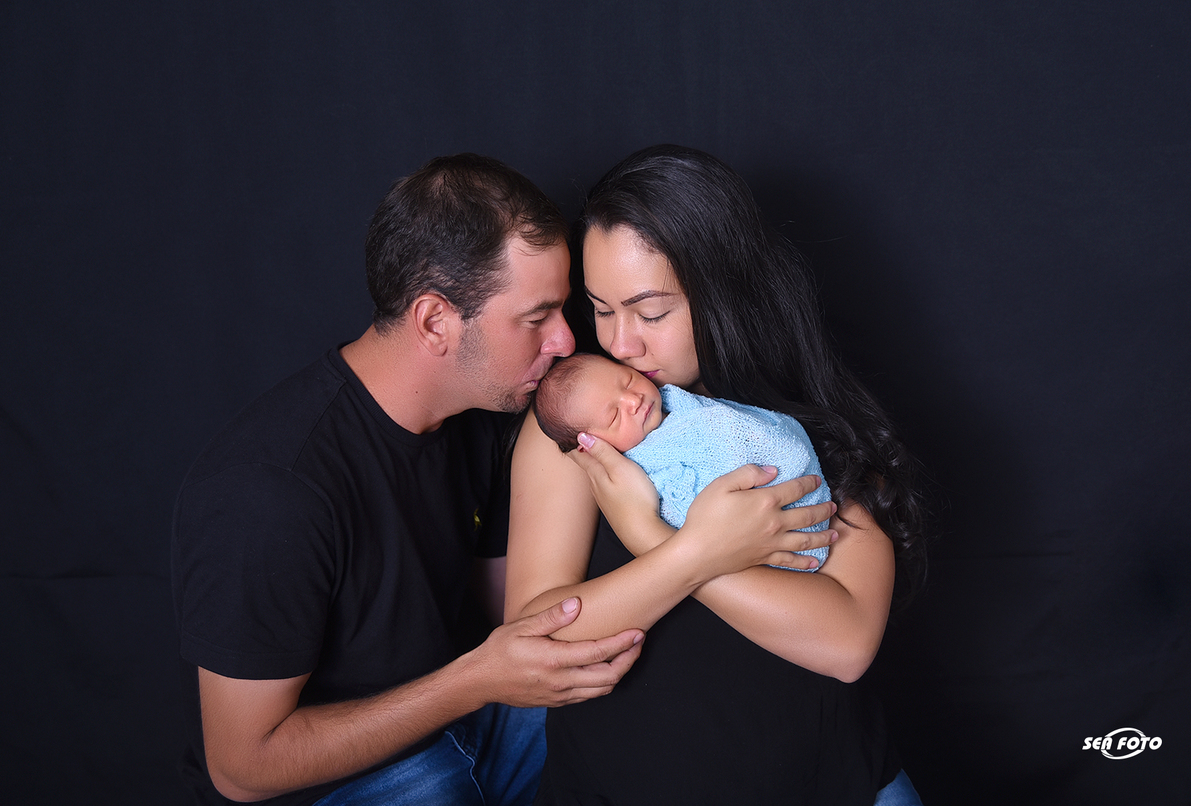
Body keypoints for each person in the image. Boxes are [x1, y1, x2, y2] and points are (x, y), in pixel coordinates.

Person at [171, 154, 645, 806]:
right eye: (536, 318)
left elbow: (525, 619)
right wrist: (473, 682)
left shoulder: (482, 415)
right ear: (434, 322)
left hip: (470, 718)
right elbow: (242, 768)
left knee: (635, 709)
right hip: (342, 781)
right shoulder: (270, 490)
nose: (567, 341)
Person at [505, 145, 928, 805]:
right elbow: (536, 639)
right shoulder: (586, 421)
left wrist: (654, 539)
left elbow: (846, 641)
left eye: (650, 312)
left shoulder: (799, 423)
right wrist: (693, 552)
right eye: (601, 309)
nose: (620, 345)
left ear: (726, 292)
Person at [531, 351, 830, 571]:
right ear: (592, 446)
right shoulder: (643, 470)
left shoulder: (674, 400)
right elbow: (689, 519)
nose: (633, 400)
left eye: (627, 381)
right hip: (760, 535)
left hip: (792, 477)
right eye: (614, 416)